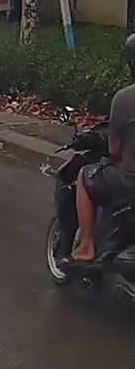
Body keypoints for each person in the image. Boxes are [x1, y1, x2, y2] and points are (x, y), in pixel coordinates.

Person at [70, 34, 135, 262]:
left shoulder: (124, 98)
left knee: (85, 175)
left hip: (129, 181)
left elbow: (114, 150)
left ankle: (87, 244)